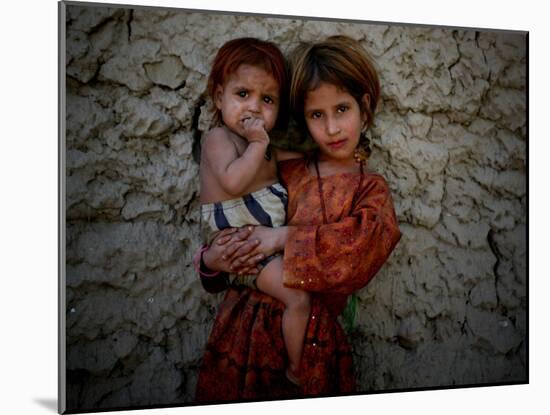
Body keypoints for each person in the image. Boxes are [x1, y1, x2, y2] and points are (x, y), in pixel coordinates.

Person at [195, 35, 402, 401]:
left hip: (310, 341)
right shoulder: (285, 169)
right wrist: (211, 261)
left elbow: (359, 253)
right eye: (316, 115)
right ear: (302, 119)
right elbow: (228, 240)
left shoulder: (369, 190)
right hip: (242, 334)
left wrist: (282, 238)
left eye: (342, 109)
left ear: (365, 108)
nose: (333, 129)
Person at [197, 37, 310, 385]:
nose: (254, 108)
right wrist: (260, 143)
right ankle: (296, 369)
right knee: (298, 297)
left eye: (267, 99)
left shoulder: (267, 151)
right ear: (219, 97)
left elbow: (306, 162)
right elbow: (231, 181)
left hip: (259, 251)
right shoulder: (219, 139)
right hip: (242, 252)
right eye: (242, 94)